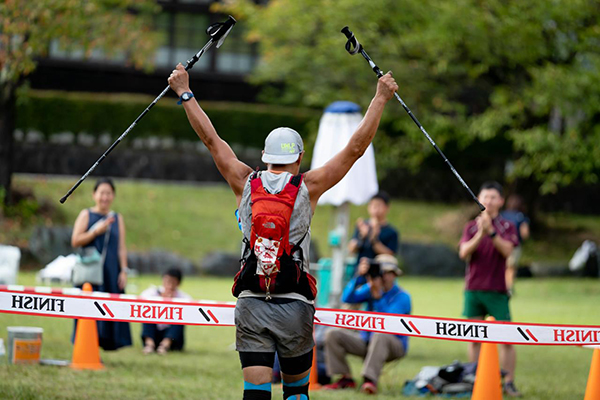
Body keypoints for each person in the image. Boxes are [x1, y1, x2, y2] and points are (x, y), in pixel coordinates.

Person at [168, 63, 398, 400]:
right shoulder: (309, 187)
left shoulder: (244, 181)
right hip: (294, 304)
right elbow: (355, 150)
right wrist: (380, 97)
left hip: (250, 302)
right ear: (301, 156)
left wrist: (185, 92)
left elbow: (211, 140)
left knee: (256, 393)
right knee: (295, 394)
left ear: (264, 156)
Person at [458, 181, 520, 397]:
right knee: (474, 338)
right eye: (485, 197)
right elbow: (464, 252)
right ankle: (474, 378)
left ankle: (508, 381)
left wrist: (492, 232)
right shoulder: (471, 227)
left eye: (494, 197)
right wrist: (480, 233)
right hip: (473, 289)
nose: (489, 201)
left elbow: (507, 251)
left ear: (501, 201)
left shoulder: (508, 227)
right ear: (478, 198)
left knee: (506, 339)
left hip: (497, 290)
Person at [323, 254, 410, 395]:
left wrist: (378, 297)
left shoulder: (402, 296)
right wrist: (359, 276)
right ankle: (345, 379)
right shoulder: (370, 288)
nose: (384, 277)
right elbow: (347, 298)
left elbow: (388, 323)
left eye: (388, 273)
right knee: (333, 334)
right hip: (367, 340)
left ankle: (369, 380)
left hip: (394, 344)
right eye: (381, 272)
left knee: (380, 334)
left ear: (394, 275)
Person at [71, 178, 132, 350]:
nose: (105, 197)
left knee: (110, 306)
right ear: (94, 195)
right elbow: (75, 240)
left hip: (111, 270)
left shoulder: (117, 218)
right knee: (89, 307)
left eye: (109, 193)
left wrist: (124, 270)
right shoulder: (86, 214)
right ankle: (86, 343)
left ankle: (107, 343)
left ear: (113, 196)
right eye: (102, 193)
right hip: (91, 271)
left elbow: (121, 247)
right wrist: (95, 232)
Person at [140, 268, 191, 355]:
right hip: (155, 332)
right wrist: (160, 299)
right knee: (148, 313)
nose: (169, 285)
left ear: (178, 283)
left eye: (173, 282)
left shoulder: (183, 297)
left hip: (173, 338)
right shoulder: (152, 292)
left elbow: (189, 311)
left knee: (179, 317)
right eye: (167, 281)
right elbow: (141, 300)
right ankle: (149, 344)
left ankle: (165, 345)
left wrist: (172, 302)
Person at [347, 191, 399, 272]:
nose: (375, 209)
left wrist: (373, 238)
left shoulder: (391, 232)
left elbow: (389, 255)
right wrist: (362, 236)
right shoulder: (362, 226)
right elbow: (351, 249)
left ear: (387, 208)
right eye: (373, 205)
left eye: (379, 205)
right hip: (360, 271)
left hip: (381, 274)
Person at [501, 194, 531, 293]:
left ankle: (501, 286)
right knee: (511, 267)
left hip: (500, 244)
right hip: (514, 245)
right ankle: (508, 287)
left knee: (502, 266)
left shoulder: (502, 214)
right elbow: (524, 233)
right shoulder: (521, 216)